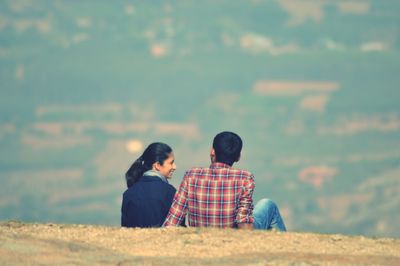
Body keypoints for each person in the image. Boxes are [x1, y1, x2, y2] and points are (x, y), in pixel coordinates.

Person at [163, 131, 286, 231]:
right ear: (238, 157)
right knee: (268, 205)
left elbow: (173, 220)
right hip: (234, 236)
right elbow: (244, 224)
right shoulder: (245, 178)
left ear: (212, 152)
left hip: (199, 234)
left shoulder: (191, 176)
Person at [121, 142, 179, 228]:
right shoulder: (170, 192)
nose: (174, 167)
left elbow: (125, 228)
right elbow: (177, 227)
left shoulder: (128, 193)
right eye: (171, 163)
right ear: (157, 165)